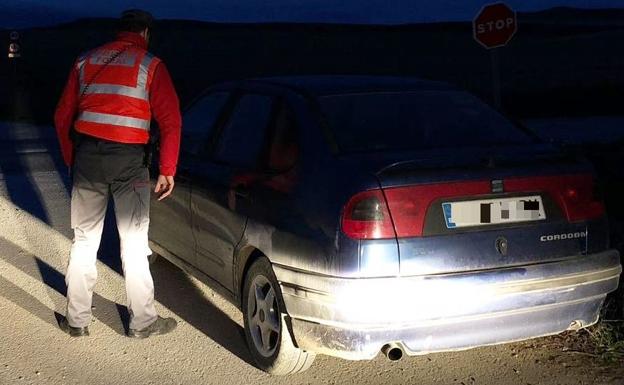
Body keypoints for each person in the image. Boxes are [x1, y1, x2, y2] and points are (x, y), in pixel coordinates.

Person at [54, 9, 181, 338]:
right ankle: (142, 322)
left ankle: (77, 321)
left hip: (87, 159)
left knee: (84, 240)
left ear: (118, 31)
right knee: (134, 244)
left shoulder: (85, 60)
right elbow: (171, 121)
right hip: (128, 164)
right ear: (146, 34)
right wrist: (167, 169)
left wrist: (72, 159)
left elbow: (61, 115)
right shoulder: (151, 64)